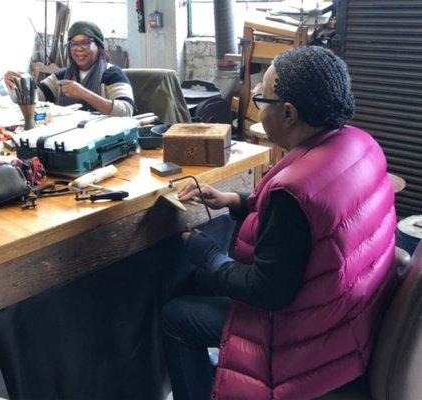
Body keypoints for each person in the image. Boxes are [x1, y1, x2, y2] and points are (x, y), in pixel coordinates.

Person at [162, 46, 397, 400]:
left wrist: (208, 255)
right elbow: (313, 225)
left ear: (288, 112)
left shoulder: (295, 191)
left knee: (176, 315)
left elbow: (266, 291)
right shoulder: (357, 142)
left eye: (261, 98)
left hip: (310, 341)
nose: (258, 106)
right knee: (203, 281)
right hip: (348, 321)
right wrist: (236, 201)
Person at [4, 21, 134, 117]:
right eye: (74, 44)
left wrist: (84, 94)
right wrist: (16, 84)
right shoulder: (61, 77)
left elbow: (126, 111)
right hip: (69, 138)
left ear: (99, 46)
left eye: (85, 42)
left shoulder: (112, 74)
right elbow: (33, 99)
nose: (78, 48)